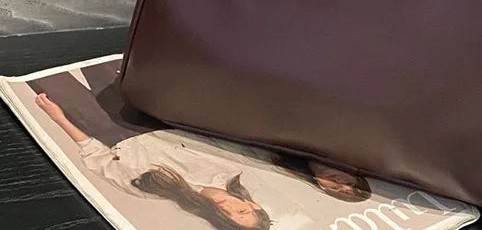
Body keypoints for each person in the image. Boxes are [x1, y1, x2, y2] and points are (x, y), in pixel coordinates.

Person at [34, 92, 317, 230]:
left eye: (228, 216)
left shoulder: (157, 189)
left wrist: (60, 120)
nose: (228, 208)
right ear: (252, 204)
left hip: (96, 125)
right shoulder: (228, 165)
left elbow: (97, 158)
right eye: (241, 211)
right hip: (146, 110)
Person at [267, 151, 371, 202]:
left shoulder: (279, 161)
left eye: (334, 187)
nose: (337, 181)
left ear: (320, 185)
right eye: (348, 182)